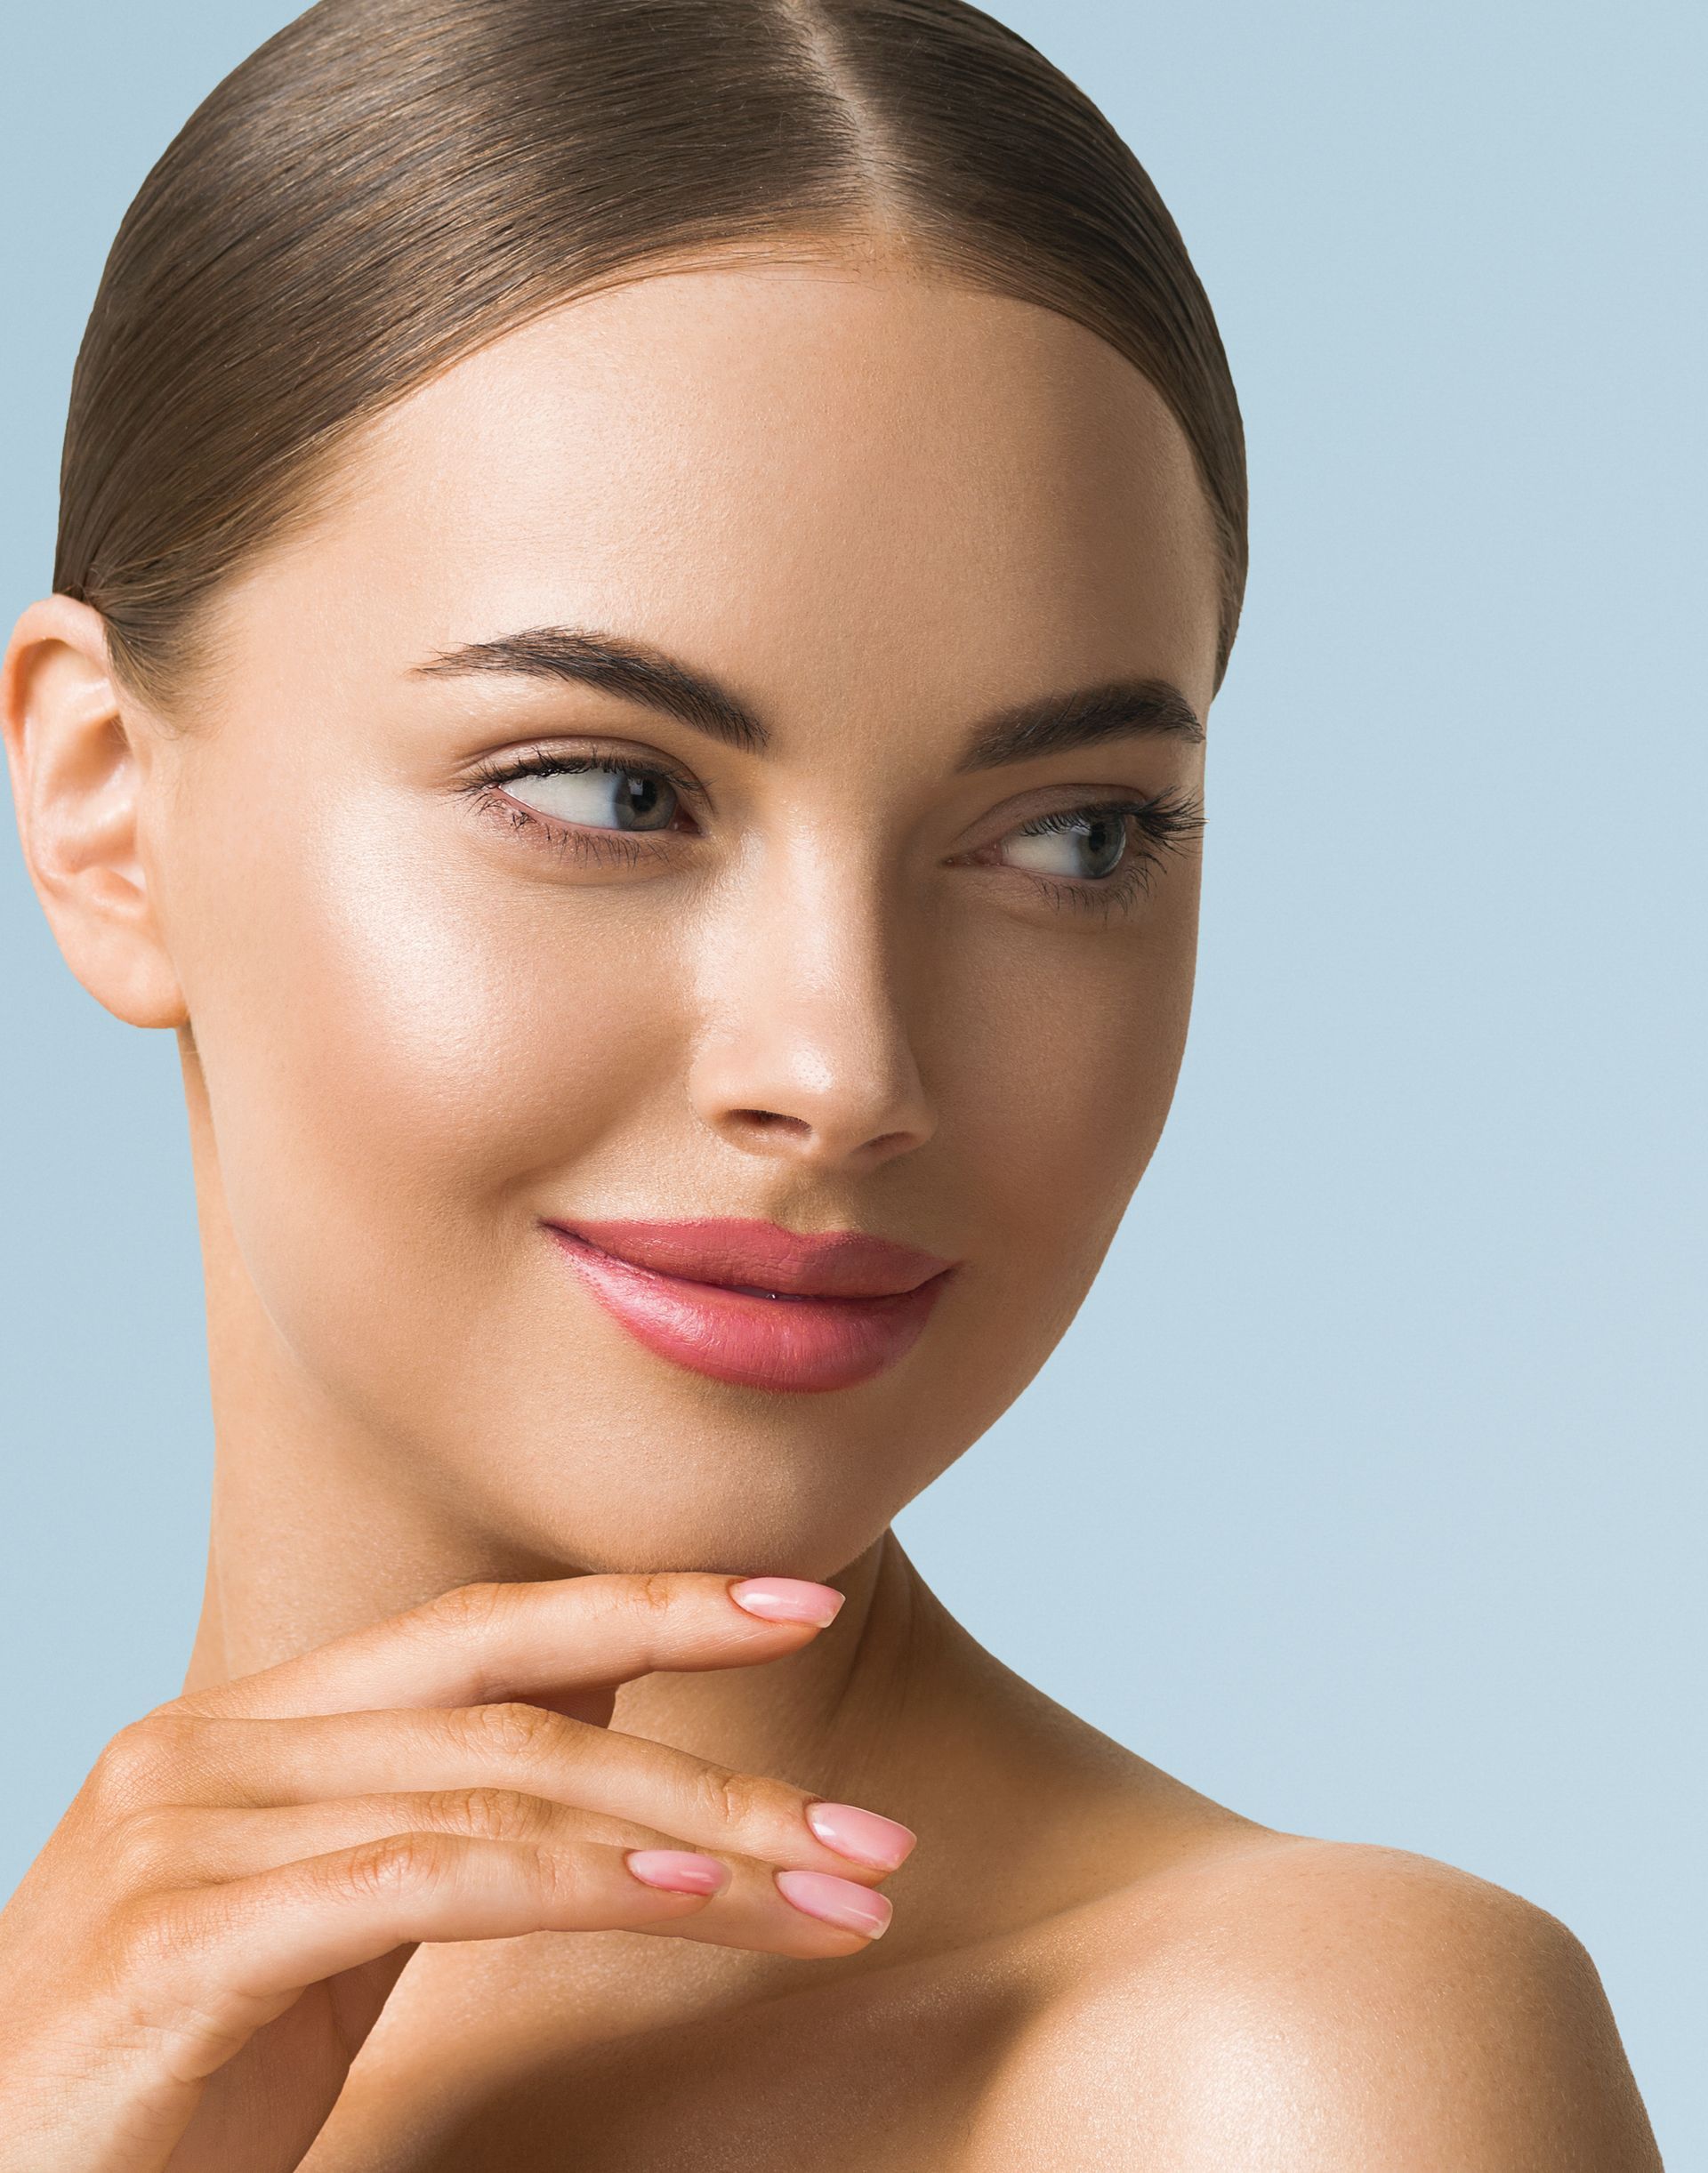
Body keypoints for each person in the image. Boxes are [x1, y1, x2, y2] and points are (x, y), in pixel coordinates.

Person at [0, 2, 1663, 2166]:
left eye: (1076, 833)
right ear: (109, 807)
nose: (842, 1067)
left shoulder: (1277, 2075)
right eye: (608, 791)